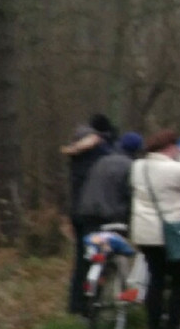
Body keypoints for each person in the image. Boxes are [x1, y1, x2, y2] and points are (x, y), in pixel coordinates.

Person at [129, 128, 180, 329]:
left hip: (145, 232)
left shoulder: (137, 167)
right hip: (172, 231)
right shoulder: (175, 168)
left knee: (156, 280)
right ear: (170, 147)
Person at [77, 131, 145, 301]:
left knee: (94, 257)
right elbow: (131, 195)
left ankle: (90, 304)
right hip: (112, 216)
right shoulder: (131, 166)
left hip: (87, 213)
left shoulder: (102, 160)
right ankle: (123, 294)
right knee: (120, 252)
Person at [61, 119, 114, 315]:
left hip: (77, 213)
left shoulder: (76, 159)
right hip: (94, 213)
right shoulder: (98, 154)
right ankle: (92, 304)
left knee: (82, 259)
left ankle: (76, 305)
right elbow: (111, 156)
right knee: (99, 258)